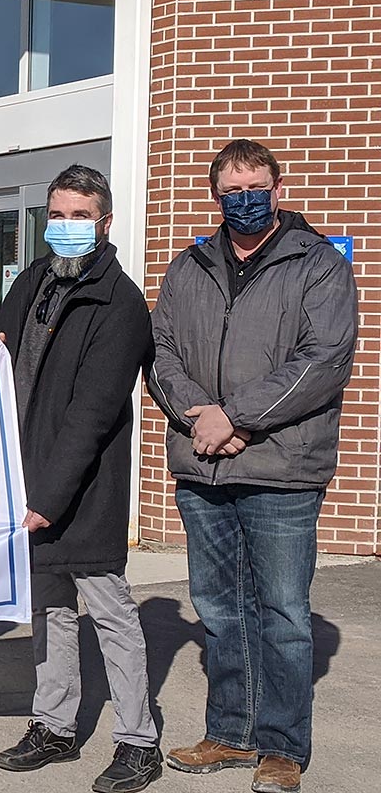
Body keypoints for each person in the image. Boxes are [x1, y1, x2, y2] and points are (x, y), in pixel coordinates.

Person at [147, 139, 357, 793]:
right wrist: (198, 417)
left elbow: (323, 360)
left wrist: (235, 417)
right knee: (219, 609)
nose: (245, 200)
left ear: (276, 186)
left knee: (284, 614)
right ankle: (230, 733)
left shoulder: (317, 264)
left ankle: (282, 747)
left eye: (256, 187)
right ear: (216, 196)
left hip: (281, 471)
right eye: (232, 190)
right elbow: (160, 355)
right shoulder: (189, 268)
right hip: (203, 471)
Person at [0, 165, 162, 793]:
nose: (65, 227)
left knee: (111, 611)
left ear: (105, 222)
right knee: (52, 612)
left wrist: (48, 499)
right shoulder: (34, 281)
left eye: (79, 216)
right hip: (29, 477)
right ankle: (54, 726)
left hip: (81, 490)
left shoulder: (120, 305)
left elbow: (91, 416)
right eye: (56, 215)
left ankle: (138, 740)